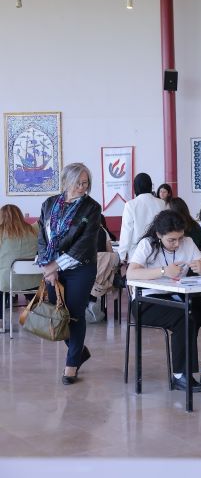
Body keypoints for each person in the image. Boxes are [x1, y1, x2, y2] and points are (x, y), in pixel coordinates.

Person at [127, 210, 201, 392]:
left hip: (179, 295)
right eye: (171, 240)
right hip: (147, 301)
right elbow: (131, 273)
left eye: (179, 238)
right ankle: (180, 375)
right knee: (185, 316)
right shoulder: (147, 244)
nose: (176, 243)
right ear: (159, 235)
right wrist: (163, 271)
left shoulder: (187, 243)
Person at [36, 163, 101, 385]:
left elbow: (84, 244)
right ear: (65, 182)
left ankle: (71, 365)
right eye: (78, 183)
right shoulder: (49, 204)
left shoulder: (92, 208)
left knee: (74, 314)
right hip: (51, 268)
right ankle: (79, 351)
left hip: (80, 268)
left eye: (85, 183)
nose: (82, 188)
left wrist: (55, 266)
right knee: (60, 315)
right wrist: (47, 266)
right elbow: (42, 237)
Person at [0, 205, 40, 316]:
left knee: (2, 284)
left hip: (7, 280)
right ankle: (39, 315)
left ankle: (1, 319)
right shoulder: (34, 230)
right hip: (33, 280)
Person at [118, 173, 166, 262]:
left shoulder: (130, 205)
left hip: (136, 253)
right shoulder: (161, 203)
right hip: (157, 252)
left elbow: (127, 231)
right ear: (150, 186)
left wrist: (122, 255)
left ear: (135, 187)